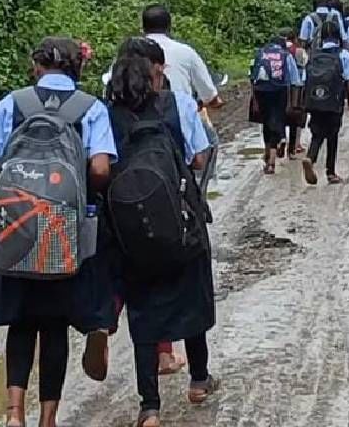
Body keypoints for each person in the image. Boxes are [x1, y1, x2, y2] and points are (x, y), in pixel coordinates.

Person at [0, 38, 116, 427]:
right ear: (78, 68)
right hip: (64, 231)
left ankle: (13, 413)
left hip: (14, 227)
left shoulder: (13, 104)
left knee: (21, 321)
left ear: (37, 66)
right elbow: (101, 170)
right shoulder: (92, 109)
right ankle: (48, 418)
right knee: (54, 325)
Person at [106, 38, 220, 427]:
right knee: (192, 295)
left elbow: (100, 168)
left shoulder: (106, 115)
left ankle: (149, 406)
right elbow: (200, 155)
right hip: (180, 219)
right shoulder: (178, 105)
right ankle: (200, 380)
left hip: (131, 229)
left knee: (143, 311)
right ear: (156, 72)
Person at [139, 5, 219, 374]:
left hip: (134, 190)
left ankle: (156, 357)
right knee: (188, 265)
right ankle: (199, 377)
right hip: (178, 174)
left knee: (144, 271)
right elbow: (211, 99)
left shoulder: (120, 70)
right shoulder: (184, 57)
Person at [302, 19, 349, 185]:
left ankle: (310, 158)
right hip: (334, 102)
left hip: (315, 101)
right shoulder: (343, 54)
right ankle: (330, 172)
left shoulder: (314, 55)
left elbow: (305, 80)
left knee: (317, 133)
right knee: (332, 136)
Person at [249, 33, 301, 174]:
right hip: (279, 90)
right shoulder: (286, 55)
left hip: (261, 91)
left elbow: (252, 76)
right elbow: (295, 81)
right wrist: (293, 103)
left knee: (266, 122)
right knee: (276, 120)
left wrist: (254, 100)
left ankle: (267, 155)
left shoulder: (260, 53)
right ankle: (272, 161)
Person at [280, 28, 308, 159]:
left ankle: (280, 139)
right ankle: (295, 145)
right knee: (297, 117)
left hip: (280, 88)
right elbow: (305, 65)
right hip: (297, 87)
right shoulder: (299, 51)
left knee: (279, 115)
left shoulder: (276, 52)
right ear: (294, 38)